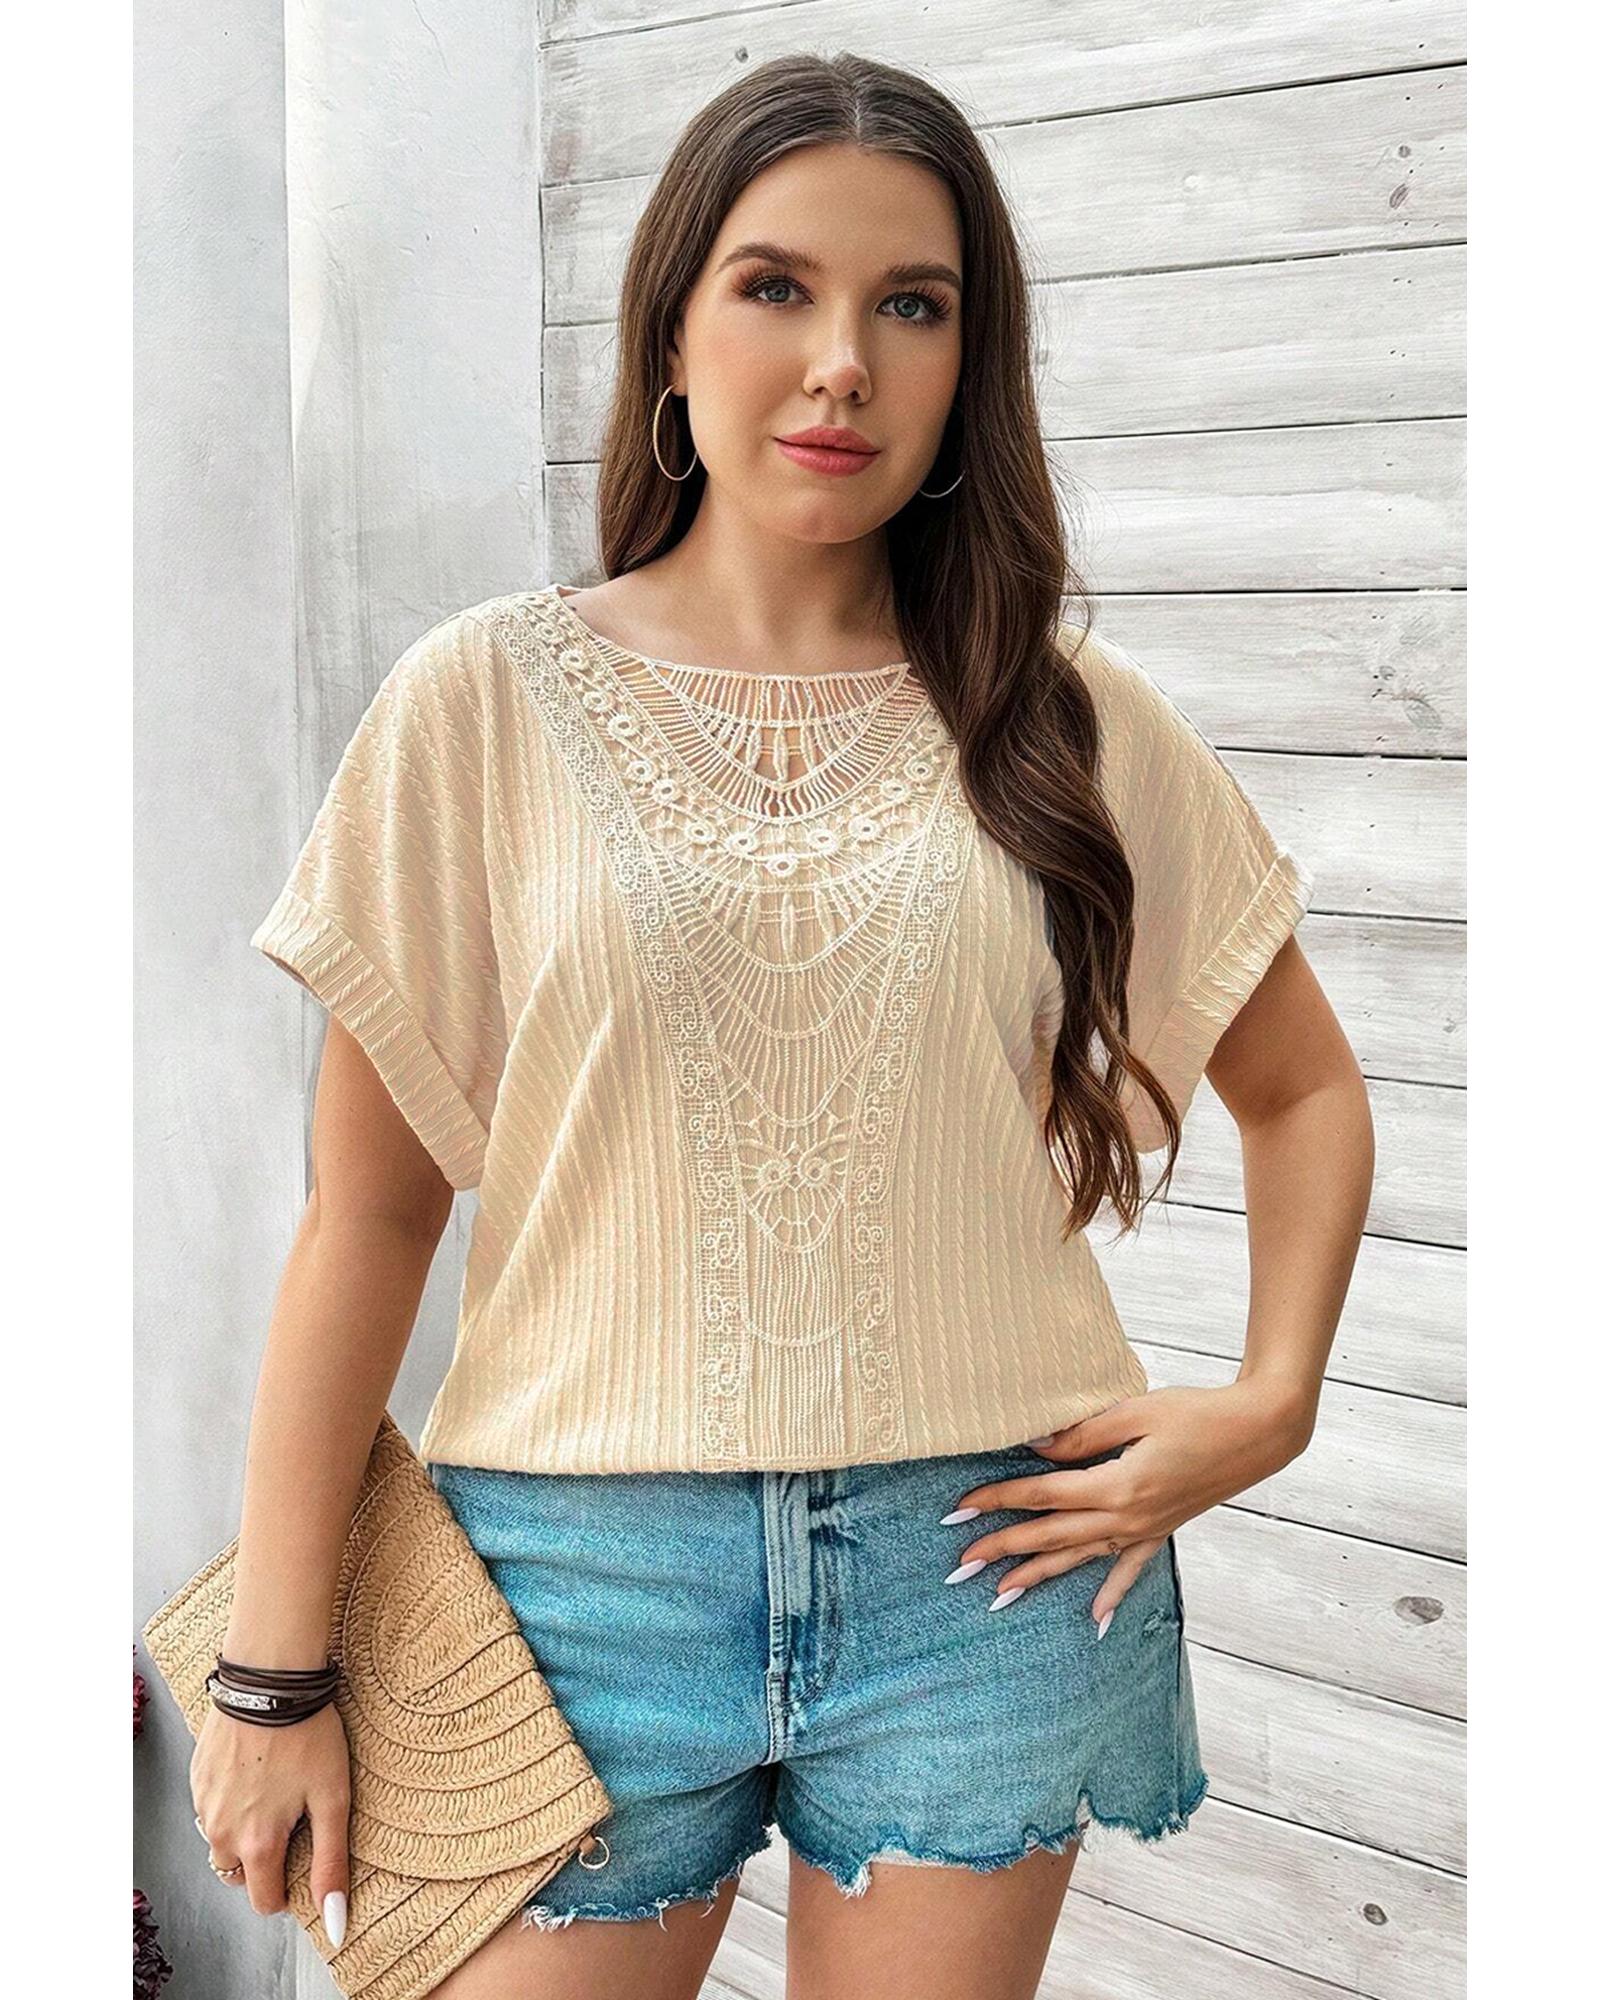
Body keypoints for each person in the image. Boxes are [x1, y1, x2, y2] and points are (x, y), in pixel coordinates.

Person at [188, 51, 1374, 2000]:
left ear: (967, 369)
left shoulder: (1061, 720)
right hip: (569, 1587)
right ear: (671, 334)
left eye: (911, 305)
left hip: (983, 1568)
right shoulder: (480, 704)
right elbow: (368, 1219)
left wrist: (1271, 1397)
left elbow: (1302, 1082)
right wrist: (273, 1669)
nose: (841, 364)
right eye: (775, 287)